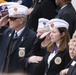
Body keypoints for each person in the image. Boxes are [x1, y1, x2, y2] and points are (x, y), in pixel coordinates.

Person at [0, 4, 36, 73]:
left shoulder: (31, 36)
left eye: (12, 18)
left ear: (21, 20)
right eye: (8, 18)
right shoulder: (7, 32)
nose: (8, 21)